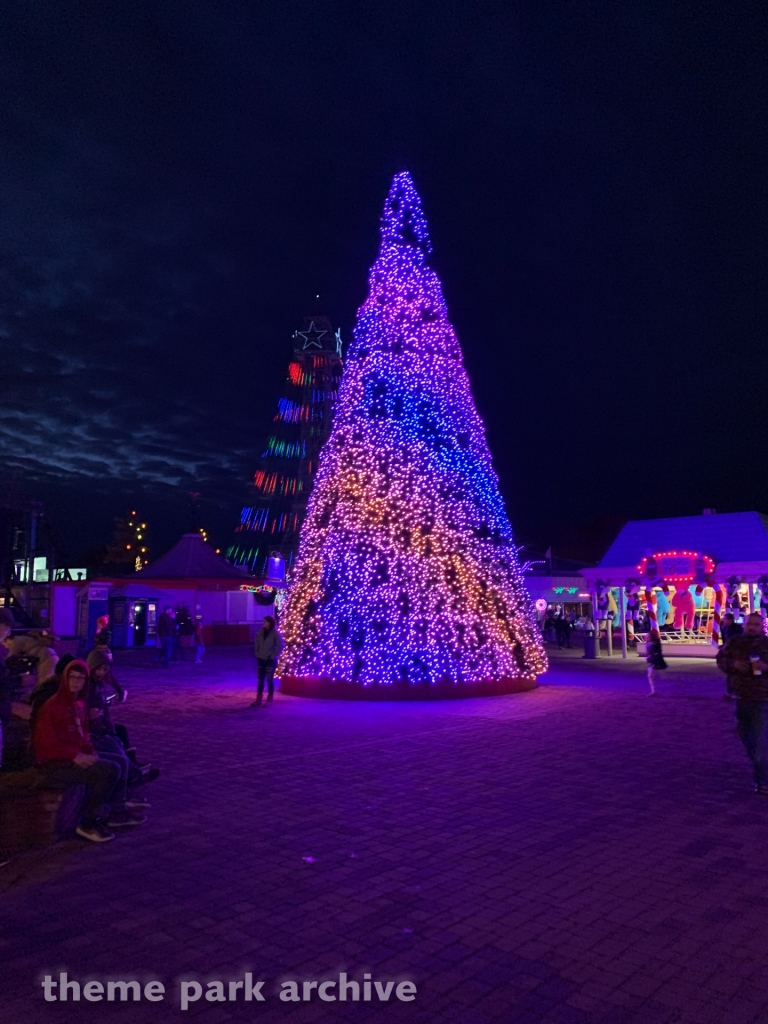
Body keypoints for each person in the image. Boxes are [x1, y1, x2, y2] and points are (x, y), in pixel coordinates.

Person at [32, 660, 120, 842]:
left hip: (71, 756)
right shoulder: (54, 705)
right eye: (72, 677)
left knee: (117, 761)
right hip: (54, 764)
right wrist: (74, 756)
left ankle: (108, 812)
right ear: (65, 678)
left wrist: (89, 751)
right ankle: (87, 822)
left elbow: (83, 734)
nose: (76, 682)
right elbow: (46, 742)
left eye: (81, 678)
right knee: (108, 770)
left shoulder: (78, 704)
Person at [86, 649, 152, 821]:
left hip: (99, 728)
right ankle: (134, 776)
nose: (102, 672)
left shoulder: (98, 685)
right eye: (99, 669)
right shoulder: (88, 688)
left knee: (118, 737)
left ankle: (134, 773)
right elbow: (88, 715)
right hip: (92, 732)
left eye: (105, 669)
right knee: (116, 752)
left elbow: (103, 710)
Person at [717, 612, 768, 793]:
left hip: (762, 698)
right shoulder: (735, 642)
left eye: (756, 624)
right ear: (744, 624)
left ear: (762, 626)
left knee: (760, 741)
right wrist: (733, 665)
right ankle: (760, 767)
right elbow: (721, 659)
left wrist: (765, 666)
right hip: (740, 697)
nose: (752, 627)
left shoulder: (766, 644)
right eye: (749, 624)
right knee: (746, 737)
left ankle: (763, 781)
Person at [251, 615, 283, 707]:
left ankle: (269, 699)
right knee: (260, 679)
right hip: (261, 658)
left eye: (264, 621)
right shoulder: (261, 632)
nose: (263, 623)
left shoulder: (275, 633)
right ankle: (259, 699)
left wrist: (272, 655)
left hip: (270, 659)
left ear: (269, 623)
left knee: (269, 679)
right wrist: (257, 652)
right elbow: (257, 643)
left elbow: (280, 646)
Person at [645, 631, 667, 696]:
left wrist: (648, 659)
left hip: (656, 662)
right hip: (654, 662)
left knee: (654, 677)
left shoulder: (654, 645)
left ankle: (655, 691)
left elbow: (656, 654)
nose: (646, 638)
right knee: (651, 676)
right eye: (646, 637)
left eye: (648, 637)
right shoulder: (651, 644)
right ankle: (654, 691)